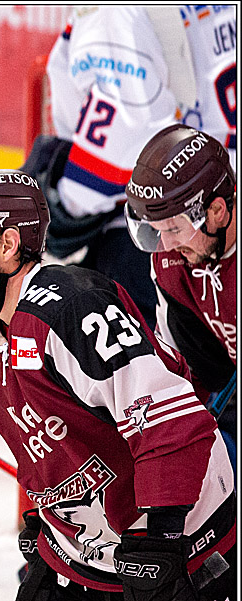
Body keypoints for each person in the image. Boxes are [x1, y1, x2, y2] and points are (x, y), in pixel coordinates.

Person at [0, 169, 236, 601]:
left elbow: (172, 423)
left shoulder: (73, 306)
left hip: (182, 555)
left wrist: (160, 541)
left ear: (6, 247)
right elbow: (54, 451)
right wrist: (50, 522)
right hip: (78, 567)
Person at [25, 5, 236, 329]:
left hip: (183, 232)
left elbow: (115, 156)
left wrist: (50, 213)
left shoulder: (118, 14)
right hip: (221, 214)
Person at [125, 124, 236, 467]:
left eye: (174, 228)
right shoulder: (171, 262)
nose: (168, 245)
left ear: (217, 211)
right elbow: (184, 370)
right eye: (157, 231)